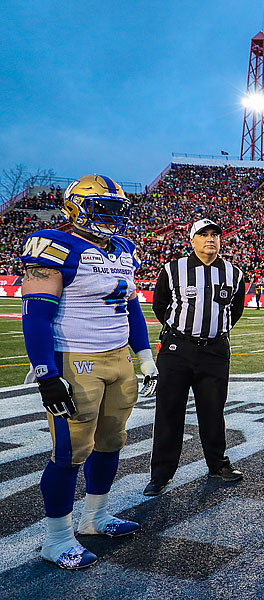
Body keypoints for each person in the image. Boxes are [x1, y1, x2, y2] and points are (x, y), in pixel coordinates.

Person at [21, 174, 157, 569]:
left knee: (112, 441)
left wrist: (144, 355)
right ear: (76, 208)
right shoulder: (55, 247)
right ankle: (56, 539)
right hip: (76, 359)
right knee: (70, 452)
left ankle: (95, 517)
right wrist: (46, 374)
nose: (112, 217)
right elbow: (35, 315)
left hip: (118, 358)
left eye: (117, 209)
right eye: (104, 208)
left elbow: (130, 305)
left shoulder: (125, 249)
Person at [143, 218, 246, 496]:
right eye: (203, 234)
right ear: (192, 240)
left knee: (213, 410)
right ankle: (161, 474)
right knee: (169, 411)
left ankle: (217, 464)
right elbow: (160, 306)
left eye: (215, 234)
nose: (210, 239)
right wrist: (181, 333)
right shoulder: (173, 269)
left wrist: (213, 332)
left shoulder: (234, 273)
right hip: (178, 349)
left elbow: (235, 310)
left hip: (215, 351)